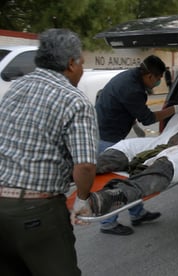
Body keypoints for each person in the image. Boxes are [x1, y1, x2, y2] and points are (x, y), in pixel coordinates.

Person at [0, 28, 97, 276]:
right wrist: (82, 200)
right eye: (82, 63)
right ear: (71, 63)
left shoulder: (17, 87)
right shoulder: (74, 100)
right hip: (37, 213)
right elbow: (85, 166)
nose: (82, 69)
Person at [95, 55, 178, 235]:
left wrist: (133, 124)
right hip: (107, 136)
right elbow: (148, 119)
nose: (158, 83)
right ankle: (108, 223)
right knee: (114, 180)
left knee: (130, 174)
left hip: (109, 129)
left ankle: (137, 214)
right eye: (158, 79)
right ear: (149, 76)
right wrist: (174, 110)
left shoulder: (131, 77)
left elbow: (127, 107)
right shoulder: (132, 88)